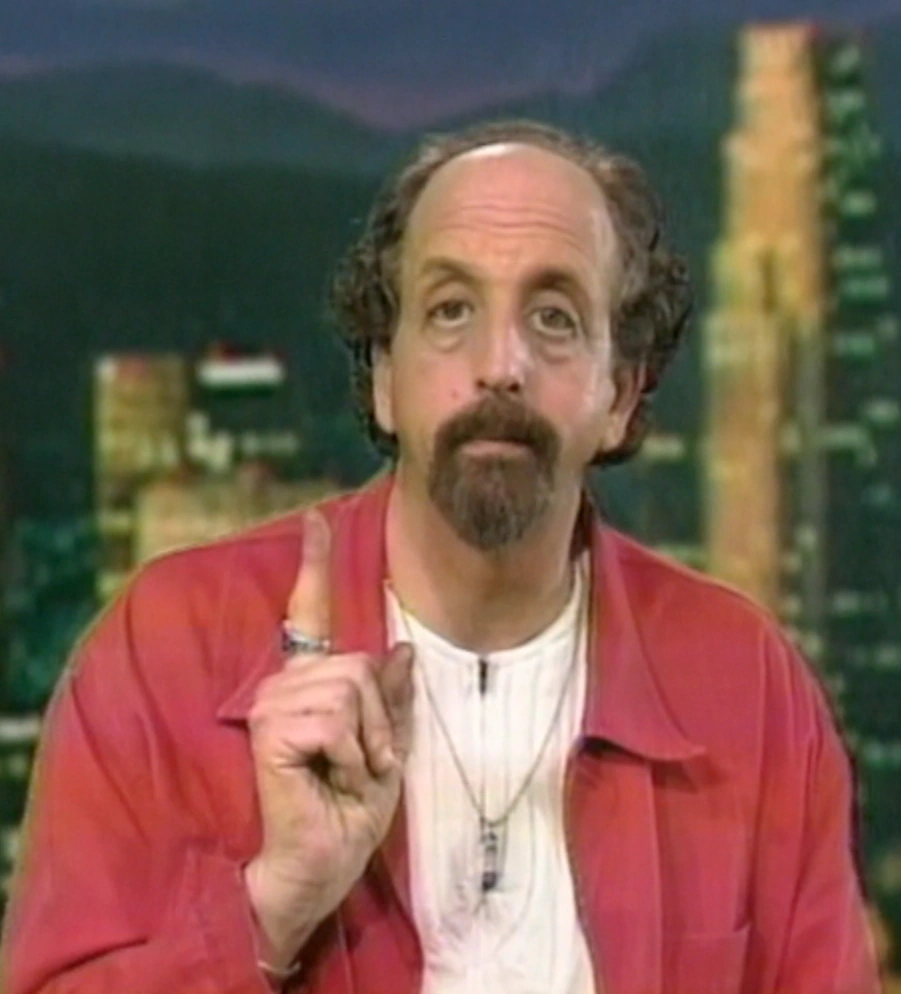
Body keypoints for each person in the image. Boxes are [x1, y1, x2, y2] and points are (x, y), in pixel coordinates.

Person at [0, 119, 880, 994]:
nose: (500, 364)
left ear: (619, 395)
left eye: (553, 317)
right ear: (385, 375)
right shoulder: (165, 653)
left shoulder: (748, 688)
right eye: (451, 310)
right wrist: (273, 905)